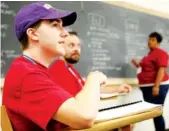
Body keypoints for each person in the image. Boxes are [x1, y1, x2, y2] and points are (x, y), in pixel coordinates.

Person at [2, 2, 107, 131]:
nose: (65, 33)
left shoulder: (33, 69)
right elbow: (84, 117)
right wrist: (94, 78)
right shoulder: (27, 75)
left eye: (62, 26)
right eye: (55, 25)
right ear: (33, 34)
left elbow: (74, 111)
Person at [48, 31, 133, 131]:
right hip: (72, 126)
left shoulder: (71, 70)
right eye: (71, 45)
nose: (76, 49)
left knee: (127, 122)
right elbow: (75, 108)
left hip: (80, 121)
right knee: (125, 123)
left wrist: (117, 89)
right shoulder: (58, 68)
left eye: (78, 45)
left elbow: (89, 89)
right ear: (61, 48)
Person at [131, 32, 169, 131]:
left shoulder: (161, 53)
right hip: (148, 87)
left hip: (157, 86)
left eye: (152, 40)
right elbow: (144, 68)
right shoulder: (149, 55)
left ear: (158, 42)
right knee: (154, 113)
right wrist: (137, 64)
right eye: (149, 39)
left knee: (156, 112)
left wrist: (156, 86)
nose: (149, 42)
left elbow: (161, 70)